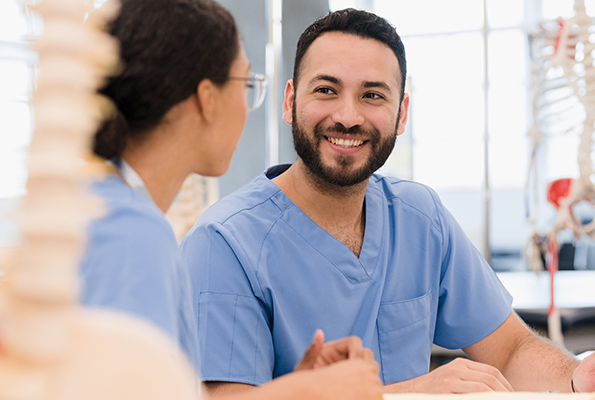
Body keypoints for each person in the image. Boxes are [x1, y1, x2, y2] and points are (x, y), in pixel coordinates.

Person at [180, 8, 595, 399]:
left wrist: (577, 378)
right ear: (289, 102)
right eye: (326, 90)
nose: (348, 116)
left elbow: (510, 349)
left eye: (372, 95)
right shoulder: (224, 243)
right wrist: (414, 394)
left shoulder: (418, 218)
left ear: (401, 113)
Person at [78, 1, 382, 399]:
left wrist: (297, 386)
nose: (247, 108)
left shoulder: (104, 209)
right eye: (246, 85)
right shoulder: (131, 234)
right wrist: (308, 394)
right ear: (208, 99)